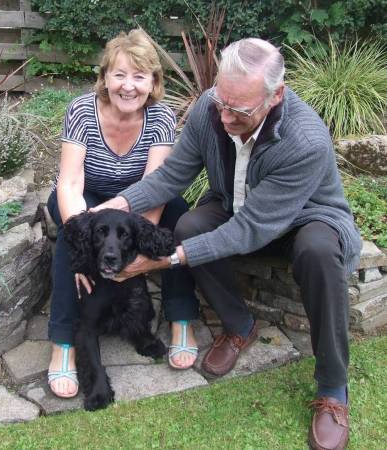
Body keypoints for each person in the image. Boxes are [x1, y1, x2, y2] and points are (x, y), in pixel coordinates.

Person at [92, 37, 362, 449]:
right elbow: (172, 176)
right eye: (221, 101)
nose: (225, 116)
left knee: (320, 252)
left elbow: (247, 231)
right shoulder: (210, 108)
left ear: (276, 96)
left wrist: (163, 263)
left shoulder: (304, 139)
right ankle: (239, 326)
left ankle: (332, 388)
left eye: (238, 110)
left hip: (303, 219)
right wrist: (116, 203)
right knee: (188, 225)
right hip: (236, 205)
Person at [47, 29, 200, 400]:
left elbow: (155, 186)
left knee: (178, 215)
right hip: (86, 195)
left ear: (153, 82)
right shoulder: (82, 110)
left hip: (137, 201)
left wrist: (141, 255)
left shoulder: (161, 116)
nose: (128, 86)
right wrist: (84, 247)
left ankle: (181, 319)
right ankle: (63, 343)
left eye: (139, 76)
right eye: (119, 75)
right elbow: (69, 184)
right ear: (105, 78)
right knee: (72, 242)